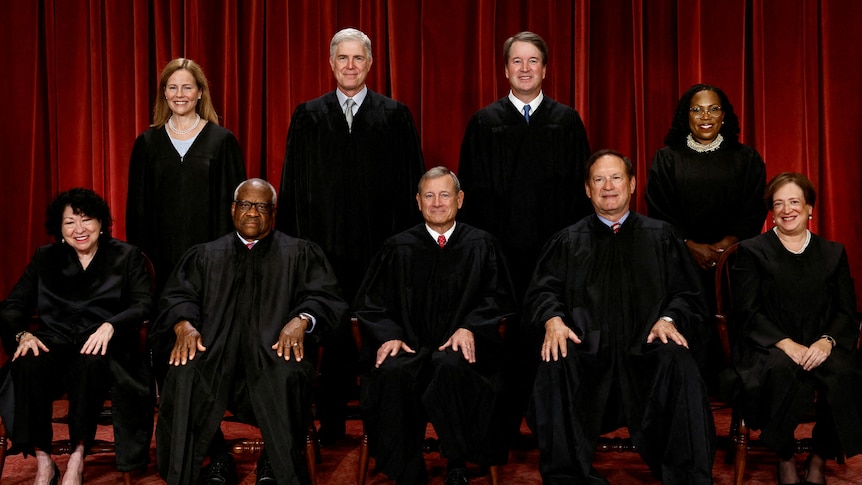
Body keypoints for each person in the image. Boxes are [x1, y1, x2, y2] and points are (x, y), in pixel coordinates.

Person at [525, 149, 715, 484]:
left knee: (678, 360)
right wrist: (553, 320)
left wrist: (667, 320)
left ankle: (686, 476)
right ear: (587, 189)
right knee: (555, 359)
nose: (607, 186)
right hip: (586, 350)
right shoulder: (568, 241)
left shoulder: (661, 236)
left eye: (616, 178)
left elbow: (688, 294)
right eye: (598, 179)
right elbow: (543, 291)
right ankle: (568, 476)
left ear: (632, 185)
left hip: (646, 349)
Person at [277, 27, 425, 442]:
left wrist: (404, 250)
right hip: (323, 252)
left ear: (370, 64)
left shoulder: (394, 116)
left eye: (358, 58)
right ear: (330, 63)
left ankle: (382, 427)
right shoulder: (308, 115)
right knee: (331, 335)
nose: (350, 66)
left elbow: (410, 186)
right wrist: (295, 252)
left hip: (380, 250)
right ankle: (331, 424)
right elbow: (291, 188)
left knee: (380, 336)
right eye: (342, 58)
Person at [150, 178, 347, 485]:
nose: (252, 212)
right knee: (183, 372)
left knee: (287, 374)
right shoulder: (205, 255)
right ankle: (215, 459)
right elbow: (177, 296)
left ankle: (275, 463)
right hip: (214, 355)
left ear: (273, 212)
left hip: (272, 355)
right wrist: (183, 324)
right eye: (245, 204)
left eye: (261, 206)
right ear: (233, 209)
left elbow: (325, 297)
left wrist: (303, 319)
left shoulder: (299, 253)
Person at [355, 167, 517, 485]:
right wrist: (390, 336)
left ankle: (457, 462)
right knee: (393, 372)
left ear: (460, 199)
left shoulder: (482, 245)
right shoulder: (397, 248)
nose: (437, 202)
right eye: (429, 196)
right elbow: (370, 303)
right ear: (418, 202)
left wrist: (471, 327)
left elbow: (499, 299)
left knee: (453, 365)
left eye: (445, 195)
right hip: (411, 345)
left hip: (463, 348)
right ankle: (407, 469)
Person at [0, 188, 154, 485]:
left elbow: (144, 303)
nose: (79, 230)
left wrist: (112, 325)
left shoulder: (126, 255)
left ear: (101, 223)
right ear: (59, 229)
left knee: (90, 362)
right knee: (26, 363)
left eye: (86, 220)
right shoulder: (46, 258)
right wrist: (22, 335)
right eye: (70, 222)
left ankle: (77, 457)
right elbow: (13, 306)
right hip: (55, 341)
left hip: (103, 344)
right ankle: (44, 460)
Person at [727, 172, 862, 485]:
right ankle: (785, 455)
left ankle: (818, 457)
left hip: (821, 342)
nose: (787, 210)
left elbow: (846, 311)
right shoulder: (752, 250)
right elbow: (747, 312)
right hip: (769, 346)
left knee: (845, 373)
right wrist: (787, 344)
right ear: (772, 212)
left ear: (810, 207)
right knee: (779, 371)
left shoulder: (833, 252)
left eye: (794, 202)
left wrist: (827, 342)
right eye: (778, 204)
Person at [458, 31, 592, 297]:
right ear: (506, 70)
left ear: (544, 69)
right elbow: (471, 193)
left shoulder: (567, 122)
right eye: (517, 61)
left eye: (533, 61)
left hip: (557, 250)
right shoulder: (484, 123)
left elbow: (582, 189)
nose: (525, 69)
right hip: (500, 252)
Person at [127, 57, 247, 294]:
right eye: (172, 87)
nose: (179, 94)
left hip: (212, 261)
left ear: (200, 92)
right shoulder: (147, 143)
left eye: (187, 87)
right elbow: (137, 210)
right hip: (161, 260)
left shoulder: (222, 141)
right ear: (164, 93)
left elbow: (236, 206)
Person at [646, 83, 767, 304]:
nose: (705, 116)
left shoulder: (746, 158)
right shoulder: (667, 159)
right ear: (686, 115)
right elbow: (659, 208)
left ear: (724, 115)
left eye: (713, 109)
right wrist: (689, 245)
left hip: (734, 262)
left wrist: (728, 244)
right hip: (680, 261)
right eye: (697, 110)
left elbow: (755, 206)